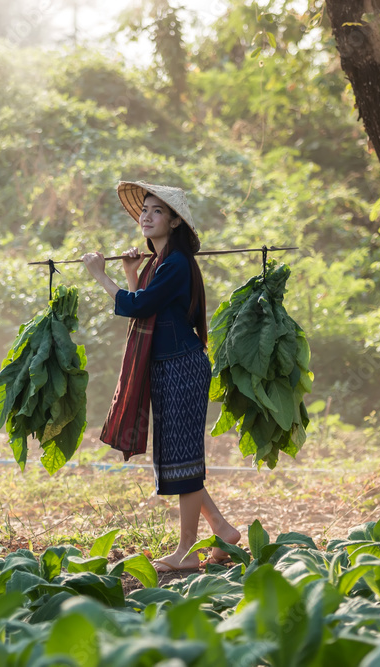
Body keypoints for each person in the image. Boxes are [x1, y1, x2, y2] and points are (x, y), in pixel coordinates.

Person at [82, 181, 240, 572]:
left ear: (173, 221)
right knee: (175, 458)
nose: (147, 217)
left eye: (156, 211)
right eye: (144, 211)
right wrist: (130, 272)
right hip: (167, 366)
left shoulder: (176, 264)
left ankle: (187, 549)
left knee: (183, 458)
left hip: (182, 366)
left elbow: (142, 305)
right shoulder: (158, 264)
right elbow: (143, 310)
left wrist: (101, 276)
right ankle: (221, 529)